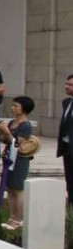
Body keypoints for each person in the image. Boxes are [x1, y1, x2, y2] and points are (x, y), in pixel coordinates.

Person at [0, 96, 37, 230]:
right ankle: (12, 217)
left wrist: (7, 132)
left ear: (24, 109)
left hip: (20, 159)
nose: (13, 108)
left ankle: (19, 218)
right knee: (10, 188)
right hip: (8, 157)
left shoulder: (26, 125)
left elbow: (18, 143)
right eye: (12, 106)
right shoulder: (12, 122)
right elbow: (6, 140)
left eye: (16, 106)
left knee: (18, 189)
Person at [59, 74, 73, 206]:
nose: (66, 87)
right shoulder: (67, 102)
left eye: (70, 85)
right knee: (69, 179)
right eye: (66, 84)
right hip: (67, 149)